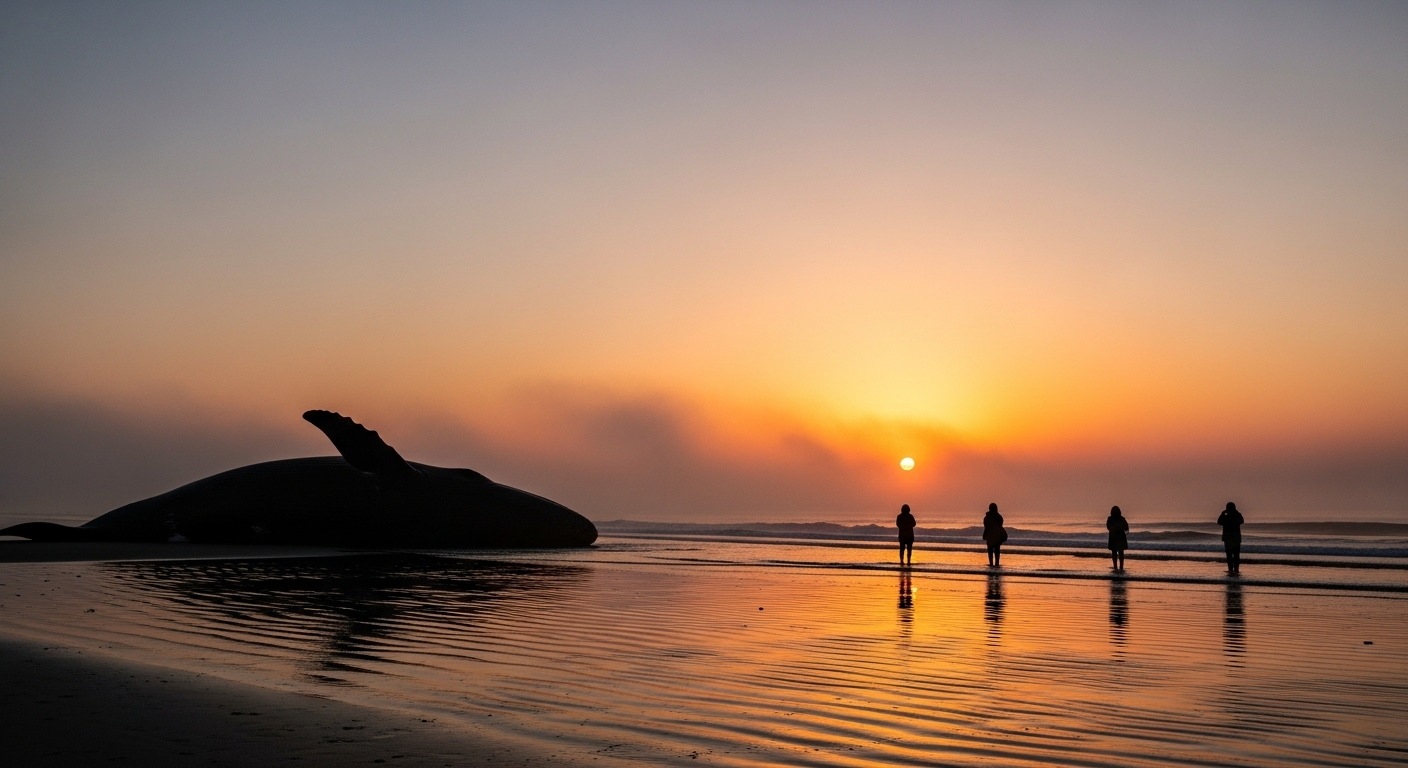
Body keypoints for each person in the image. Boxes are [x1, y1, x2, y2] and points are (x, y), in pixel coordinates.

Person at [1217, 502, 1244, 574]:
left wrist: (1222, 514)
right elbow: (1242, 521)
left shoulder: (1226, 517)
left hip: (1228, 538)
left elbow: (1219, 522)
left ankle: (1231, 569)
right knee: (1236, 555)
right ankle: (1236, 569)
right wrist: (1237, 512)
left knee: (1229, 555)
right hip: (1236, 538)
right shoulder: (1236, 516)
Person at [1106, 505, 1129, 571]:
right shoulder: (1122, 518)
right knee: (1120, 553)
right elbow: (1126, 528)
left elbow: (1108, 527)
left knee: (1114, 553)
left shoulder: (1110, 519)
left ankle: (1116, 567)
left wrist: (1114, 529)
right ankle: (1120, 567)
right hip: (1120, 537)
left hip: (1113, 537)